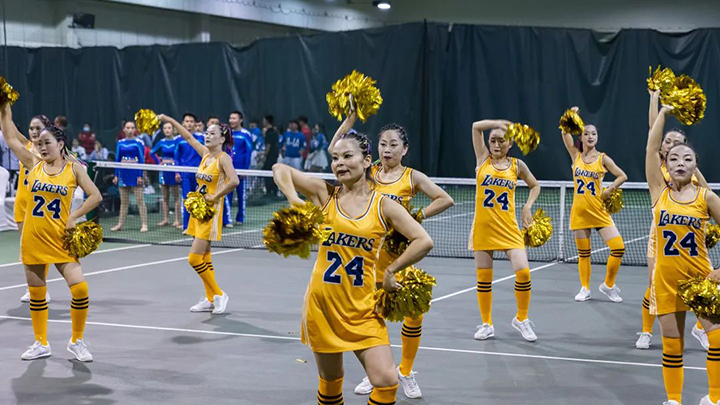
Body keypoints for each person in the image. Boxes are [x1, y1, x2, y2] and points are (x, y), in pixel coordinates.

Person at [273, 128, 434, 405]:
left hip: (362, 308)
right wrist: (293, 198)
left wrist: (391, 271)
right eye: (335, 158)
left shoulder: (383, 205)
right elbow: (280, 169)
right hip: (322, 306)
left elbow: (423, 240)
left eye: (348, 156)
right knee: (331, 384)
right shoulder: (325, 194)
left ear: (366, 160)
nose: (340, 163)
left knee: (387, 381)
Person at [325, 118, 454, 399]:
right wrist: (349, 121)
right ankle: (375, 371)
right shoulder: (367, 171)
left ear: (404, 149)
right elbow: (336, 148)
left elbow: (445, 199)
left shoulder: (412, 177)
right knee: (370, 316)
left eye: (394, 144)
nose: (387, 149)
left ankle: (405, 370)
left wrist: (417, 216)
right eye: (383, 144)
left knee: (414, 314)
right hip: (366, 259)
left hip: (398, 259)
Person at [1, 102, 102, 362]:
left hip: (60, 240)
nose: (42, 147)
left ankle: (76, 341)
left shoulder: (73, 169)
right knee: (37, 294)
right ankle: (41, 342)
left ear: (60, 144)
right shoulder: (33, 163)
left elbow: (95, 196)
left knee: (80, 289)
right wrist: (4, 106)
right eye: (40, 143)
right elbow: (10, 137)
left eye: (47, 143)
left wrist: (74, 216)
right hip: (33, 239)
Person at [646, 105, 720, 405]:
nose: (680, 163)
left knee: (717, 340)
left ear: (695, 166)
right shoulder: (658, 193)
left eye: (687, 158)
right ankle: (674, 400)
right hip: (666, 281)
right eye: (674, 158)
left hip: (701, 279)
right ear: (665, 162)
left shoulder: (707, 197)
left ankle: (714, 398)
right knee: (672, 345)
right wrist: (662, 112)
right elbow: (651, 147)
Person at [637, 91, 710, 351]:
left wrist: (692, 165)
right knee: (653, 285)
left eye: (676, 142)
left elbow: (708, 196)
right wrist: (655, 100)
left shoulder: (688, 171)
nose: (669, 145)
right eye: (667, 141)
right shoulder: (658, 167)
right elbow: (652, 133)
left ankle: (700, 327)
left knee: (703, 285)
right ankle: (646, 331)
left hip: (689, 236)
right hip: (660, 235)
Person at [159, 113, 239, 314]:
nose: (207, 136)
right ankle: (210, 299)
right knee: (205, 256)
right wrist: (170, 120)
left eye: (212, 133)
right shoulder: (205, 154)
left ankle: (219, 294)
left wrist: (216, 196)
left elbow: (234, 181)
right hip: (198, 210)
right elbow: (188, 137)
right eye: (207, 133)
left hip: (211, 213)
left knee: (194, 259)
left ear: (222, 139)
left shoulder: (223, 159)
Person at [470, 119, 541, 342]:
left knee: (523, 273)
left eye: (502, 140)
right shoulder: (482, 159)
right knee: (484, 280)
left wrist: (527, 207)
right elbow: (476, 127)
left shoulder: (517, 165)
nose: (496, 144)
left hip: (509, 228)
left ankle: (521, 318)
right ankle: (487, 324)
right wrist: (500, 123)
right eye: (493, 140)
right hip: (483, 228)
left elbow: (535, 185)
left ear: (510, 143)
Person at [560, 107, 628, 303]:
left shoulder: (603, 158)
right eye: (586, 133)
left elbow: (622, 175)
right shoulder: (576, 155)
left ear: (597, 137)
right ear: (581, 137)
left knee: (618, 248)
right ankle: (585, 288)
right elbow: (564, 133)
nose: (590, 136)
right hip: (580, 212)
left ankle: (608, 285)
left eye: (593, 134)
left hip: (599, 211)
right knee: (584, 254)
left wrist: (609, 189)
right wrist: (570, 115)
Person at [11, 115, 53, 304]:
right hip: (22, 205)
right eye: (31, 128)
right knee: (26, 249)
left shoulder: (50, 152)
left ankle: (42, 288)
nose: (34, 131)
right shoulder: (25, 145)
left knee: (40, 249)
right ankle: (32, 287)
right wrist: (4, 106)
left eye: (38, 128)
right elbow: (9, 127)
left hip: (39, 207)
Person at [112, 121, 148, 232]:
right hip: (123, 173)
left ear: (135, 130)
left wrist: (140, 175)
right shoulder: (120, 143)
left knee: (140, 200)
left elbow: (141, 159)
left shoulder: (139, 142)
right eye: (127, 128)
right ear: (124, 129)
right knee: (124, 202)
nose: (130, 130)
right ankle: (120, 224)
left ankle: (144, 224)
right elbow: (117, 159)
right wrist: (116, 175)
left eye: (132, 128)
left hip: (135, 173)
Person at [174, 113, 205, 231]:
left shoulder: (202, 138)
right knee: (187, 200)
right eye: (187, 121)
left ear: (195, 124)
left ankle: (200, 225)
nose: (189, 124)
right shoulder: (178, 140)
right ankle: (187, 226)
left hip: (200, 174)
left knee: (200, 200)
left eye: (191, 121)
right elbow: (176, 157)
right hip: (185, 174)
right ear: (183, 123)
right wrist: (177, 172)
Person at [151, 121, 181, 229]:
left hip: (174, 169)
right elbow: (152, 152)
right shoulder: (161, 142)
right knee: (165, 196)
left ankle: (177, 220)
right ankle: (166, 219)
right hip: (163, 170)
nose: (167, 130)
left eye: (169, 128)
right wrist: (158, 162)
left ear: (173, 129)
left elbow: (179, 155)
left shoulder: (177, 141)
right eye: (165, 128)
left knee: (176, 196)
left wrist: (178, 171)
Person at [228, 111, 252, 225]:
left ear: (240, 120)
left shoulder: (246, 134)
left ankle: (240, 218)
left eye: (234, 118)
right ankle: (227, 219)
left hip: (240, 170)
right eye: (230, 118)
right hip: (228, 170)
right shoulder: (227, 134)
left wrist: (245, 169)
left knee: (241, 195)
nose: (231, 120)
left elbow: (248, 153)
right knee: (227, 195)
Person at [261, 115, 280, 201]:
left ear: (266, 121)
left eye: (264, 120)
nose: (263, 122)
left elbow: (268, 145)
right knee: (273, 173)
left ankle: (269, 191)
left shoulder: (269, 132)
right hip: (275, 155)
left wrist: (264, 155)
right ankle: (274, 191)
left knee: (267, 173)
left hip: (270, 156)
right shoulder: (275, 131)